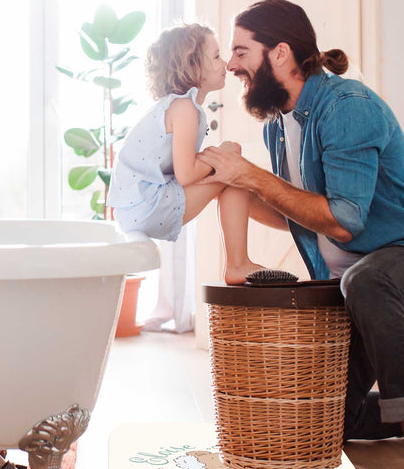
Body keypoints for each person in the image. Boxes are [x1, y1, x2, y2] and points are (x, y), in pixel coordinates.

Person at [196, 0, 404, 469]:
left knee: (367, 281)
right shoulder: (280, 125)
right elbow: (299, 213)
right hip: (350, 281)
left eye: (240, 50)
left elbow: (344, 223)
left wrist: (252, 176)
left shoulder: (346, 106)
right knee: (325, 421)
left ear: (280, 53)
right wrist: (223, 184)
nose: (230, 64)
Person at [107, 23, 283, 286]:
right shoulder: (184, 109)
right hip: (147, 206)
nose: (225, 62)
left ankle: (239, 262)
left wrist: (217, 159)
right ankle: (237, 264)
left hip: (136, 207)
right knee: (231, 170)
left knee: (229, 168)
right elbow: (187, 173)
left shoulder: (179, 107)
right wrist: (221, 156)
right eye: (215, 56)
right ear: (191, 67)